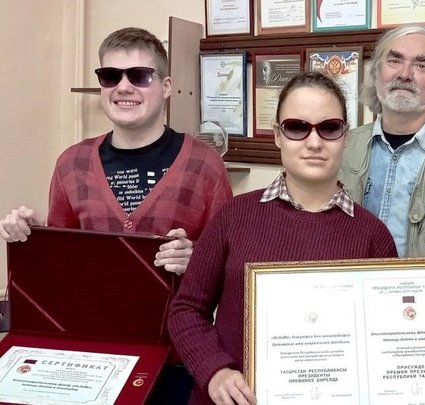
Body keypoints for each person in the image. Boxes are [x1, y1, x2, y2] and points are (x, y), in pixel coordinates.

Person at [0, 27, 233, 404]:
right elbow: (62, 271)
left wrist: (197, 260)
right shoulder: (72, 164)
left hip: (177, 362)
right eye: (110, 76)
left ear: (167, 86)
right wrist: (32, 240)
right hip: (90, 362)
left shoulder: (205, 167)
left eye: (140, 76)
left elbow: (230, 270)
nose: (124, 87)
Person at [168, 71, 398, 405]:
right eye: (297, 127)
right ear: (278, 135)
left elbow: (387, 338)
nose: (314, 142)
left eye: (329, 127)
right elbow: (187, 309)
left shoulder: (373, 236)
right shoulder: (234, 216)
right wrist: (215, 371)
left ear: (345, 136)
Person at [339, 23, 425, 258]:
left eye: (421, 65)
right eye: (394, 60)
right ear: (376, 74)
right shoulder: (342, 146)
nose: (404, 74)